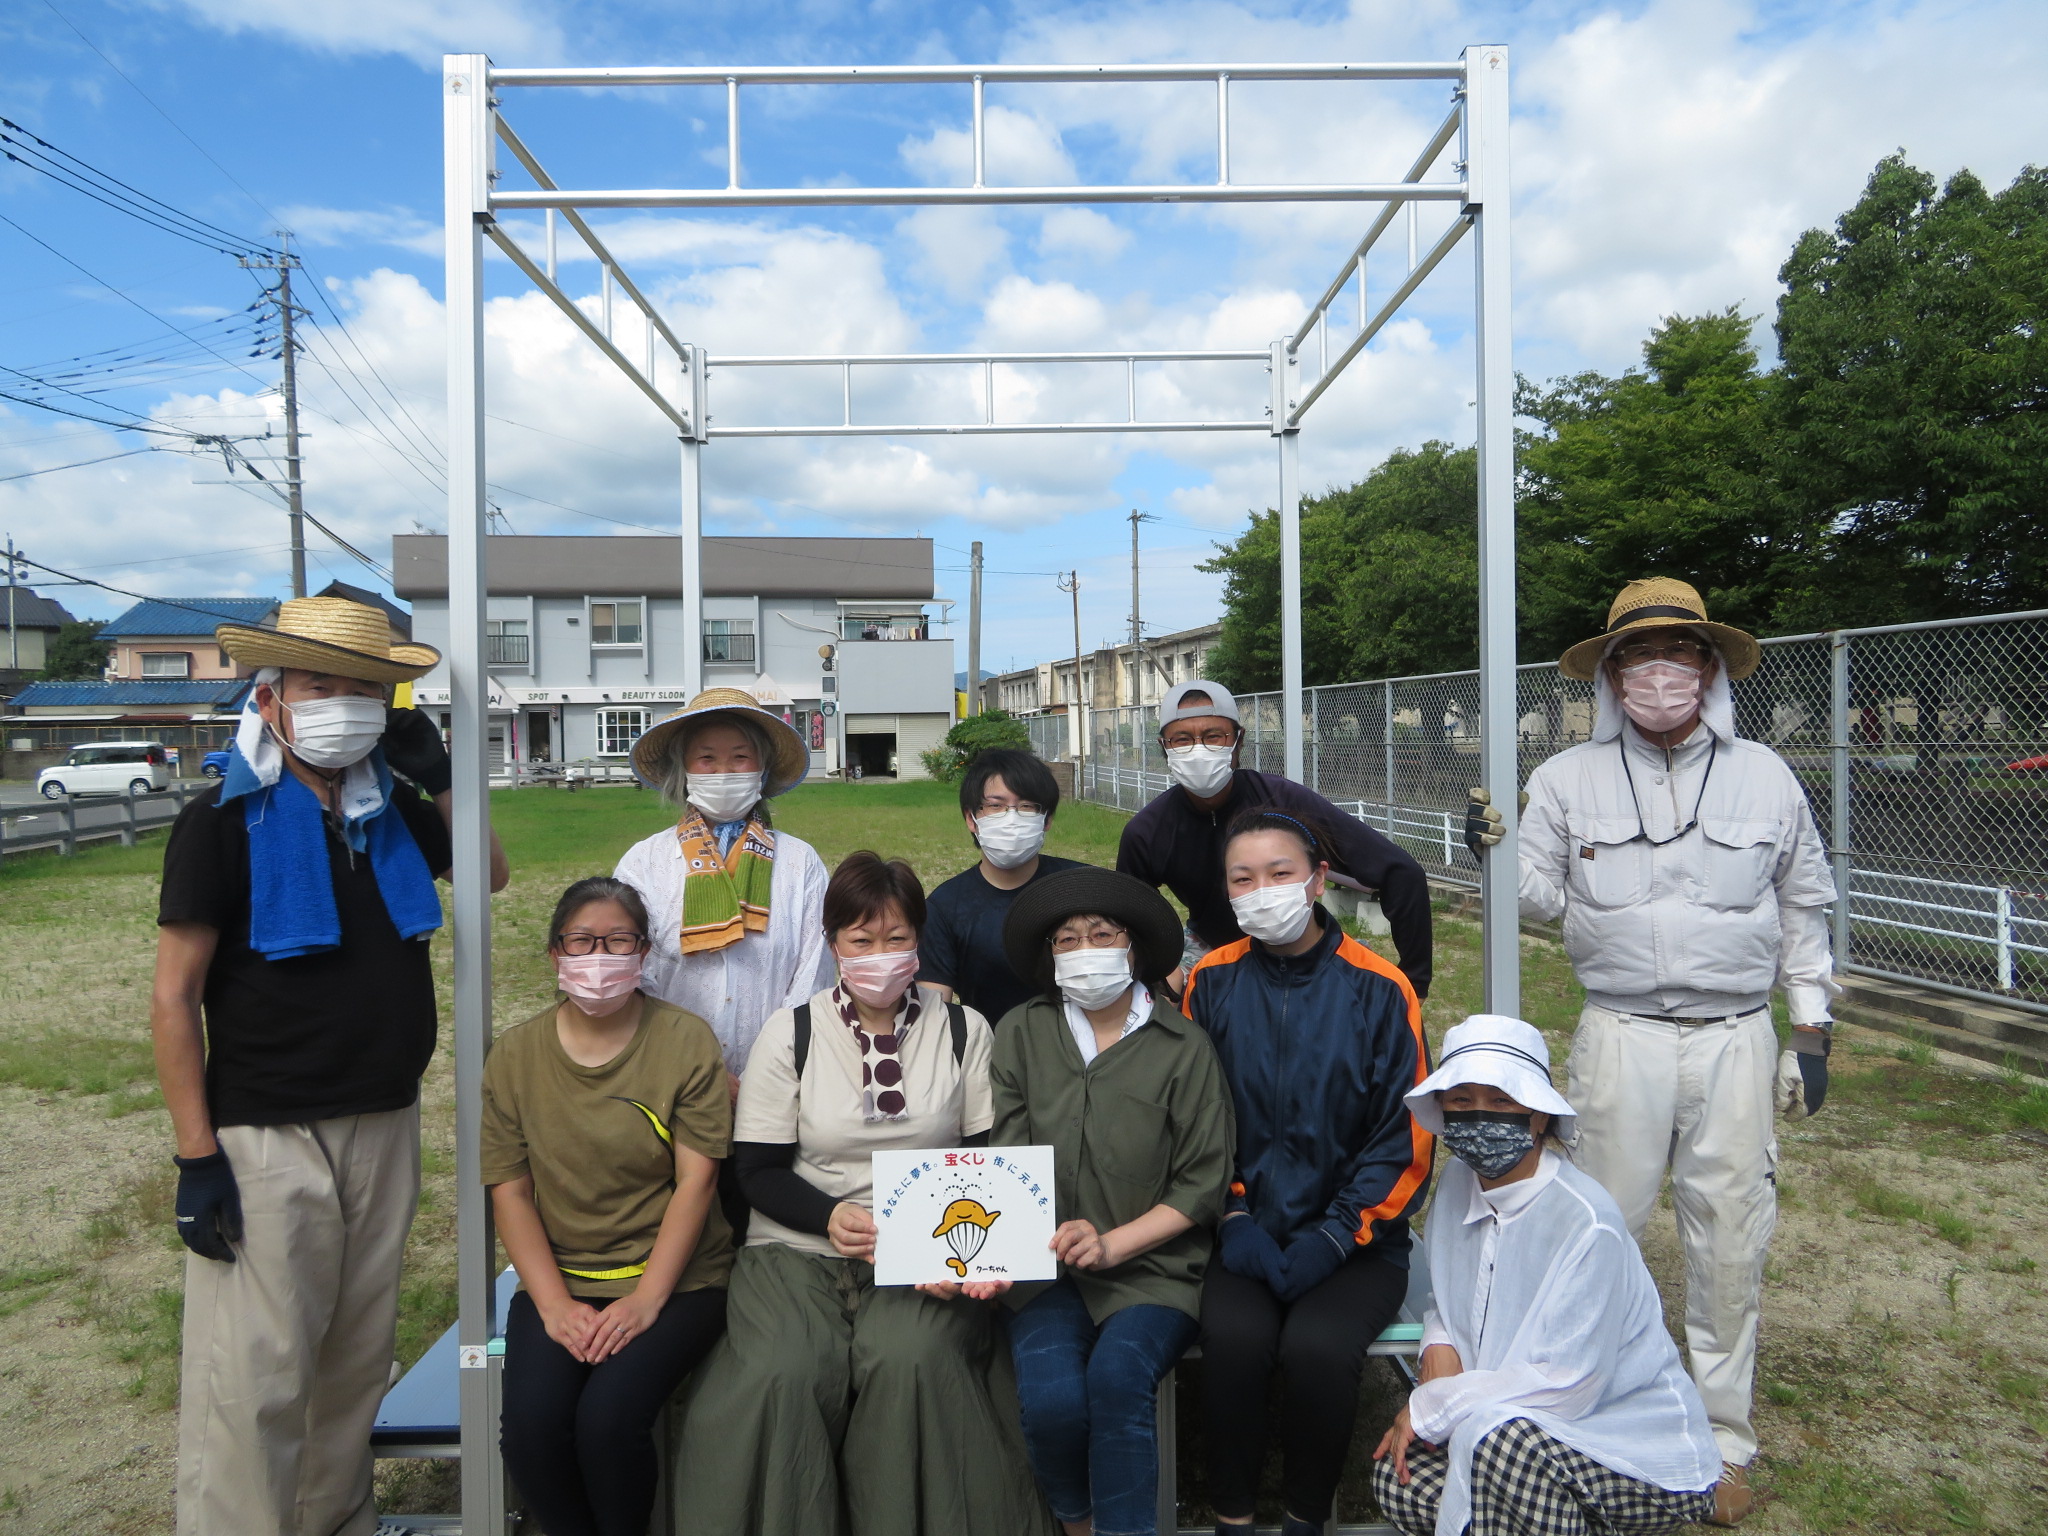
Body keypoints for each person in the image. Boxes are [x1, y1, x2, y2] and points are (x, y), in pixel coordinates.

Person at [1465, 577, 1836, 1524]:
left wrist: (1812, 1024)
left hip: (1735, 1037)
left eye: (1679, 652)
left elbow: (1804, 904)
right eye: (1638, 654)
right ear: (1612, 673)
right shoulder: (1563, 781)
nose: (1659, 671)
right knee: (1593, 1230)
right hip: (1619, 1032)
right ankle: (1584, 1411)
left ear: (1709, 667)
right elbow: (1540, 900)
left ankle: (1720, 1442)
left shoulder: (1764, 775)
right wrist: (1490, 854)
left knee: (1729, 1238)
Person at [151, 596, 510, 1536]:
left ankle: (333, 1520)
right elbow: (173, 994)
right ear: (271, 700)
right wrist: (197, 1157)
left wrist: (443, 781)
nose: (344, 706)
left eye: (365, 690)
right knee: (258, 1373)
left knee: (355, 1360)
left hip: (383, 1114)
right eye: (321, 687)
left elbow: (491, 873)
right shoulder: (221, 820)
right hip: (268, 1128)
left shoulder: (386, 810)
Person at [673, 851, 1045, 1536]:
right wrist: (831, 1214)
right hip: (798, 1244)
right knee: (784, 1370)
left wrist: (959, 1256)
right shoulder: (793, 1033)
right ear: (833, 943)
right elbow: (757, 1172)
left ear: (920, 939)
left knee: (913, 1362)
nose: (881, 954)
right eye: (861, 940)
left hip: (932, 1255)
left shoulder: (964, 1030)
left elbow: (987, 1160)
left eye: (898, 938)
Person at [1183, 806, 1433, 1536]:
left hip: (1356, 1244)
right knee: (1234, 1343)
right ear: (1225, 893)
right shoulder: (1212, 983)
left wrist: (1338, 1232)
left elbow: (1406, 1135)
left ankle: (1304, 1515)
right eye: (1243, 878)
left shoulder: (1384, 989)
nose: (1262, 890)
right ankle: (1232, 1514)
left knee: (1319, 1350)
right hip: (1244, 1233)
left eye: (1280, 873)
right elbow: (1201, 1121)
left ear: (1319, 878)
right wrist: (1232, 1215)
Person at [1372, 1016, 1720, 1536]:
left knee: (1500, 1446)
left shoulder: (1586, 1222)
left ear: (1537, 1118)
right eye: (1461, 1101)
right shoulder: (1457, 1184)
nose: (1479, 1116)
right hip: (1505, 1424)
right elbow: (1451, 1294)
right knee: (1395, 1477)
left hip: (1622, 1446)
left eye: (1502, 1101)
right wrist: (1439, 1342)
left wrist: (1435, 1403)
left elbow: (1568, 1387)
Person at [975, 867, 1234, 1536]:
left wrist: (1112, 1243)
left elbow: (1202, 1182)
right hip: (1045, 1273)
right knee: (1055, 1400)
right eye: (1066, 939)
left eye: (1101, 934)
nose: (1085, 949)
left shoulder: (1184, 1047)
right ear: (1049, 957)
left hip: (1154, 1273)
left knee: (1119, 1380)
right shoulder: (1021, 1034)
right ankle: (1077, 1522)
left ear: (1134, 948)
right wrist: (1013, 1250)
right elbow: (1002, 1161)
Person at [482, 877, 734, 1536]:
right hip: (561, 1279)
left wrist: (646, 1300)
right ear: (554, 953)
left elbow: (697, 1184)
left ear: (644, 952)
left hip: (678, 1282)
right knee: (531, 1434)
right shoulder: (514, 1056)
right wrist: (555, 1306)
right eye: (582, 941)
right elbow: (509, 1191)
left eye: (618, 940)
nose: (600, 957)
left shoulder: (686, 1042)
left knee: (608, 1424)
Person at [614, 687, 833, 1234]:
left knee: (762, 1218)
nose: (723, 769)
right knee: (677, 1222)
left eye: (740, 756)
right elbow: (632, 975)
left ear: (761, 768)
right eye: (706, 758)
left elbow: (814, 972)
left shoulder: (800, 862)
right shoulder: (645, 862)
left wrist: (763, 1073)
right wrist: (701, 1071)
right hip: (670, 1084)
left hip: (781, 1085)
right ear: (683, 770)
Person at [1115, 678, 1434, 998]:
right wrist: (1160, 975)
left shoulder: (1285, 802)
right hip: (1210, 951)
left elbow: (1400, 873)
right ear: (1164, 747)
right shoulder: (1147, 832)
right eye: (1182, 739)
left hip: (1302, 950)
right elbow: (1127, 920)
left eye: (1214, 736)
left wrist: (1414, 983)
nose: (1198, 749)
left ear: (1238, 741)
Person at [920, 747, 1086, 1024]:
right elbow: (934, 1010)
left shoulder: (1084, 886)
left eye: (1027, 806)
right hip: (992, 1055)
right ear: (971, 819)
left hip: (1083, 1052)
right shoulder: (944, 908)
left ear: (1047, 820)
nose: (1011, 818)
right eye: (995, 806)